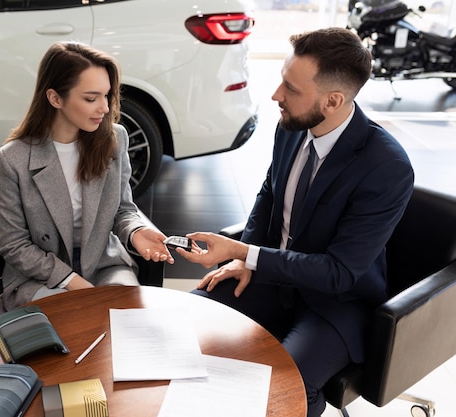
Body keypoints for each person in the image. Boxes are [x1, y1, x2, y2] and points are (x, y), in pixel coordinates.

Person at [176, 27, 414, 417]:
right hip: (272, 280)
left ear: (333, 101)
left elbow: (339, 273)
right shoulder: (292, 128)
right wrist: (243, 260)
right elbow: (269, 194)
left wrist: (245, 251)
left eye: (291, 88)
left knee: (281, 390)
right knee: (187, 326)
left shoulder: (386, 167)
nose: (276, 96)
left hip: (335, 303)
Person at [0, 42, 173, 318]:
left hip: (103, 265)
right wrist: (72, 282)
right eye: (90, 98)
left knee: (128, 322)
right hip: (40, 275)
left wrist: (135, 231)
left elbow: (122, 209)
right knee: (71, 321)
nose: (103, 108)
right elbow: (14, 245)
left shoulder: (114, 139)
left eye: (106, 96)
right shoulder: (13, 159)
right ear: (55, 98)